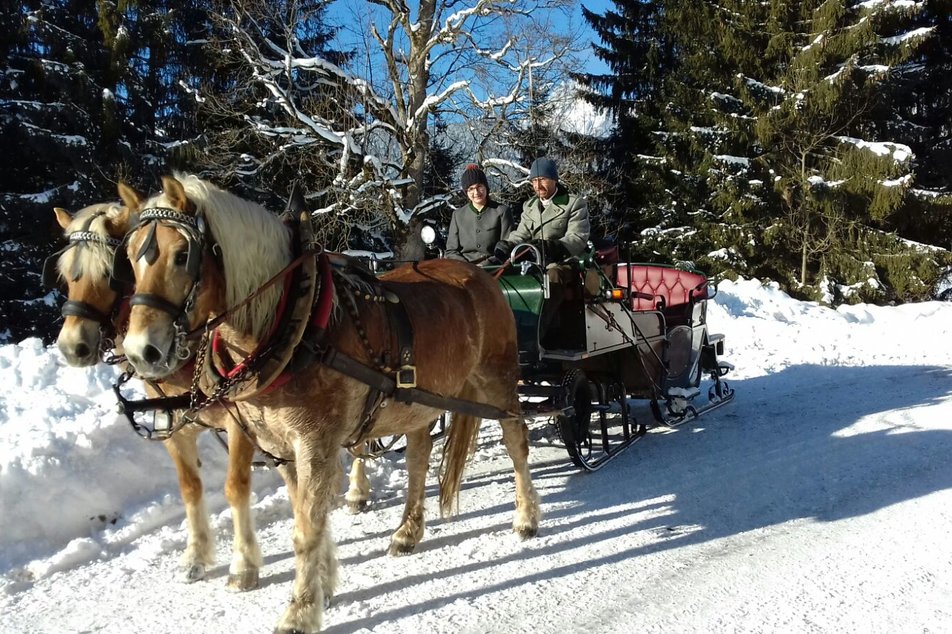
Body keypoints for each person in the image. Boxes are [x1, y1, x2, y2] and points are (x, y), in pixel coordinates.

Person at [493, 157, 591, 340]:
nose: (538, 185)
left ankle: (536, 333)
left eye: (543, 179)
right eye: (534, 181)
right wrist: (507, 245)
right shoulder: (529, 206)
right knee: (505, 276)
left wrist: (554, 247)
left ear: (554, 179)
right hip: (535, 261)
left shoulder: (573, 203)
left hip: (563, 262)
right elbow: (521, 233)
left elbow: (578, 238)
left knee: (552, 276)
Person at [445, 164, 513, 263]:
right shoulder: (458, 215)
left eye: (479, 187)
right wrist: (466, 267)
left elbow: (506, 245)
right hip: (464, 269)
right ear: (466, 192)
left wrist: (488, 264)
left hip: (493, 268)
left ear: (486, 187)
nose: (476, 192)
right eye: (471, 189)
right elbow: (451, 250)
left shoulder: (502, 211)